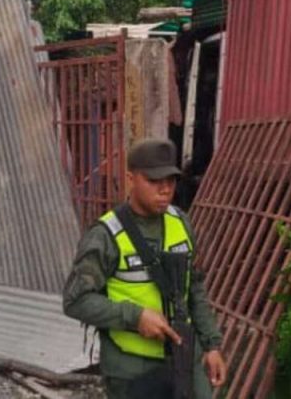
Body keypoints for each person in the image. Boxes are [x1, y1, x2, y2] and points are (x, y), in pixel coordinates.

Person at [63, 138, 228, 398]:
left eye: (171, 182)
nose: (165, 190)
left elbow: (194, 287)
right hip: (132, 370)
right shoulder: (106, 235)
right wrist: (135, 316)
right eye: (154, 181)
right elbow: (75, 300)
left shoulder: (180, 223)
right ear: (131, 178)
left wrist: (212, 345)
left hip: (183, 359)